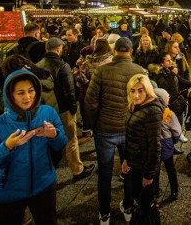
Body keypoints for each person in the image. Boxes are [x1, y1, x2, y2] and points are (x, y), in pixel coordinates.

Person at [0, 69, 68, 225]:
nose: (27, 97)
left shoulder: (48, 113)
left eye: (31, 91)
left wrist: (54, 135)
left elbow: (62, 143)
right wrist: (6, 147)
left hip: (44, 185)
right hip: (10, 192)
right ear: (10, 95)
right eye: (20, 93)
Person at [83, 37, 147, 225]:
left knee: (105, 171)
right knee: (128, 169)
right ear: (131, 51)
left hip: (105, 129)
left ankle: (104, 213)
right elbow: (145, 102)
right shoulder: (139, 71)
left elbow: (90, 102)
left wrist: (92, 125)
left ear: (114, 51)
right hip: (129, 128)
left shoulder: (102, 71)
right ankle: (128, 207)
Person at [37, 37, 94, 182]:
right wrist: (74, 109)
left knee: (48, 139)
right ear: (58, 49)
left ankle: (46, 171)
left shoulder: (37, 65)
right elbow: (69, 91)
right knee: (71, 140)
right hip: (63, 109)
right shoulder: (63, 66)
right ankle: (77, 170)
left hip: (46, 110)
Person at [121, 74, 163, 224]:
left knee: (146, 206)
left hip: (145, 166)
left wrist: (149, 175)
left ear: (148, 91)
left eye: (140, 91)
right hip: (135, 162)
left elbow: (155, 146)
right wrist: (126, 158)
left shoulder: (152, 111)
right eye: (132, 91)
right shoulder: (134, 105)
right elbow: (131, 137)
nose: (136, 95)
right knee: (139, 200)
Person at [155, 52, 191, 141]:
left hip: (177, 100)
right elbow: (166, 87)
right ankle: (176, 136)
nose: (170, 62)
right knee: (174, 122)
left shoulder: (170, 70)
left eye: (170, 59)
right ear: (161, 63)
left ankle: (177, 134)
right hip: (170, 102)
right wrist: (172, 74)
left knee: (179, 120)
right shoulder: (159, 74)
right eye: (168, 61)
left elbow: (180, 80)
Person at [153, 88, 182, 202]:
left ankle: (155, 191)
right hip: (166, 144)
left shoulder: (150, 112)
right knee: (170, 168)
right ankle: (174, 190)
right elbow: (177, 131)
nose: (169, 98)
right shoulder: (168, 113)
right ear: (163, 100)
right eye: (167, 97)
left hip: (154, 146)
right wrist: (173, 141)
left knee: (155, 169)